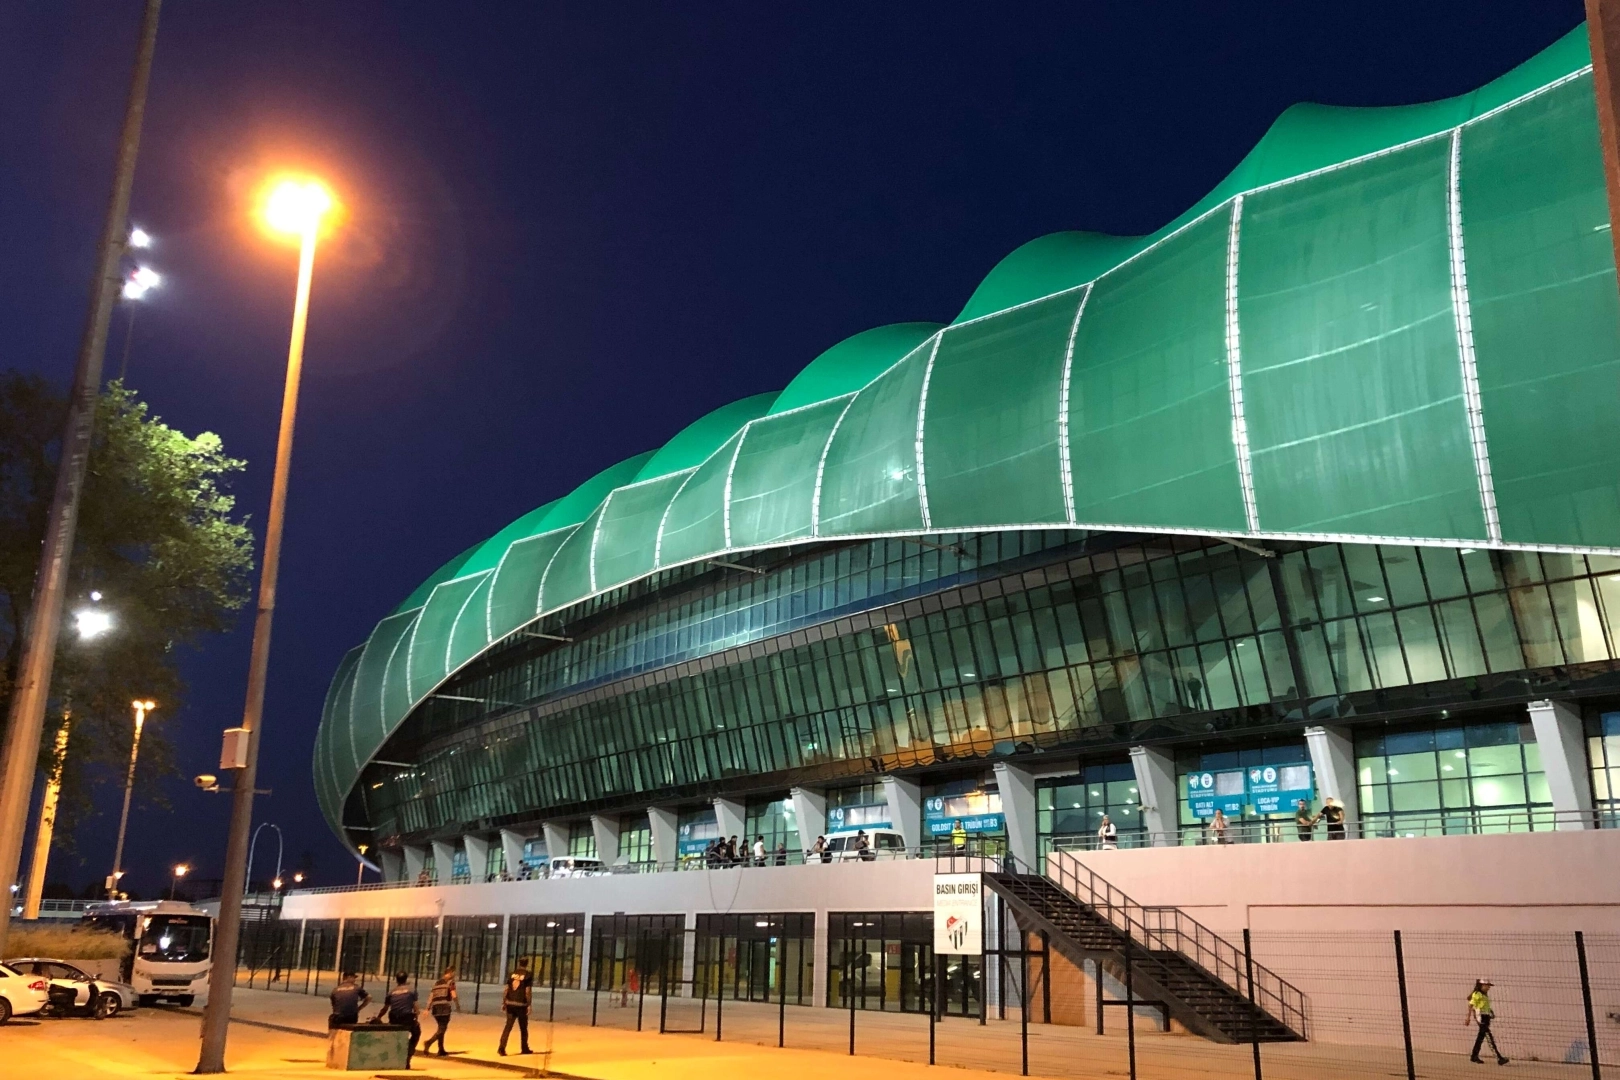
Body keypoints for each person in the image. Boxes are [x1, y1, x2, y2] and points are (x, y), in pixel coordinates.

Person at [375, 972, 420, 1065]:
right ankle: (408, 1055)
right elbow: (416, 1007)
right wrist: (416, 1018)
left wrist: (379, 1017)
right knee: (416, 1033)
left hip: (394, 1018)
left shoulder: (391, 992)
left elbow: (385, 1008)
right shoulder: (411, 990)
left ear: (396, 980)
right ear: (406, 979)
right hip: (406, 1018)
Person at [1466, 978, 1509, 1065]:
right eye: (1487, 986)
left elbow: (1486, 1006)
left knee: (1480, 1038)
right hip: (1481, 1018)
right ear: (1481, 986)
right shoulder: (1477, 994)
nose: (1488, 987)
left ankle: (1474, 1056)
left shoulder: (1484, 995)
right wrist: (1468, 1018)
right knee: (1489, 1037)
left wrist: (1490, 1012)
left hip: (1486, 1017)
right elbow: (1471, 1005)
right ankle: (1499, 1058)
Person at [498, 959, 533, 1056]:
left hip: (510, 1003)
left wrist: (504, 1002)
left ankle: (501, 1047)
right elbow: (527, 991)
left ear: (519, 963)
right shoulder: (528, 975)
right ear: (527, 964)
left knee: (508, 1026)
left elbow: (506, 989)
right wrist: (529, 1004)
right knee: (523, 1027)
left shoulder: (511, 974)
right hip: (521, 1004)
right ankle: (524, 1047)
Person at [422, 967, 460, 1056]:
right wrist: (457, 1005)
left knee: (440, 1028)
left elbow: (431, 996)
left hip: (435, 1008)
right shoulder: (450, 982)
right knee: (442, 1029)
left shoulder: (437, 983)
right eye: (454, 973)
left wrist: (427, 1008)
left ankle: (441, 1049)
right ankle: (428, 1042)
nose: (454, 975)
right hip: (444, 1007)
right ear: (450, 973)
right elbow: (453, 994)